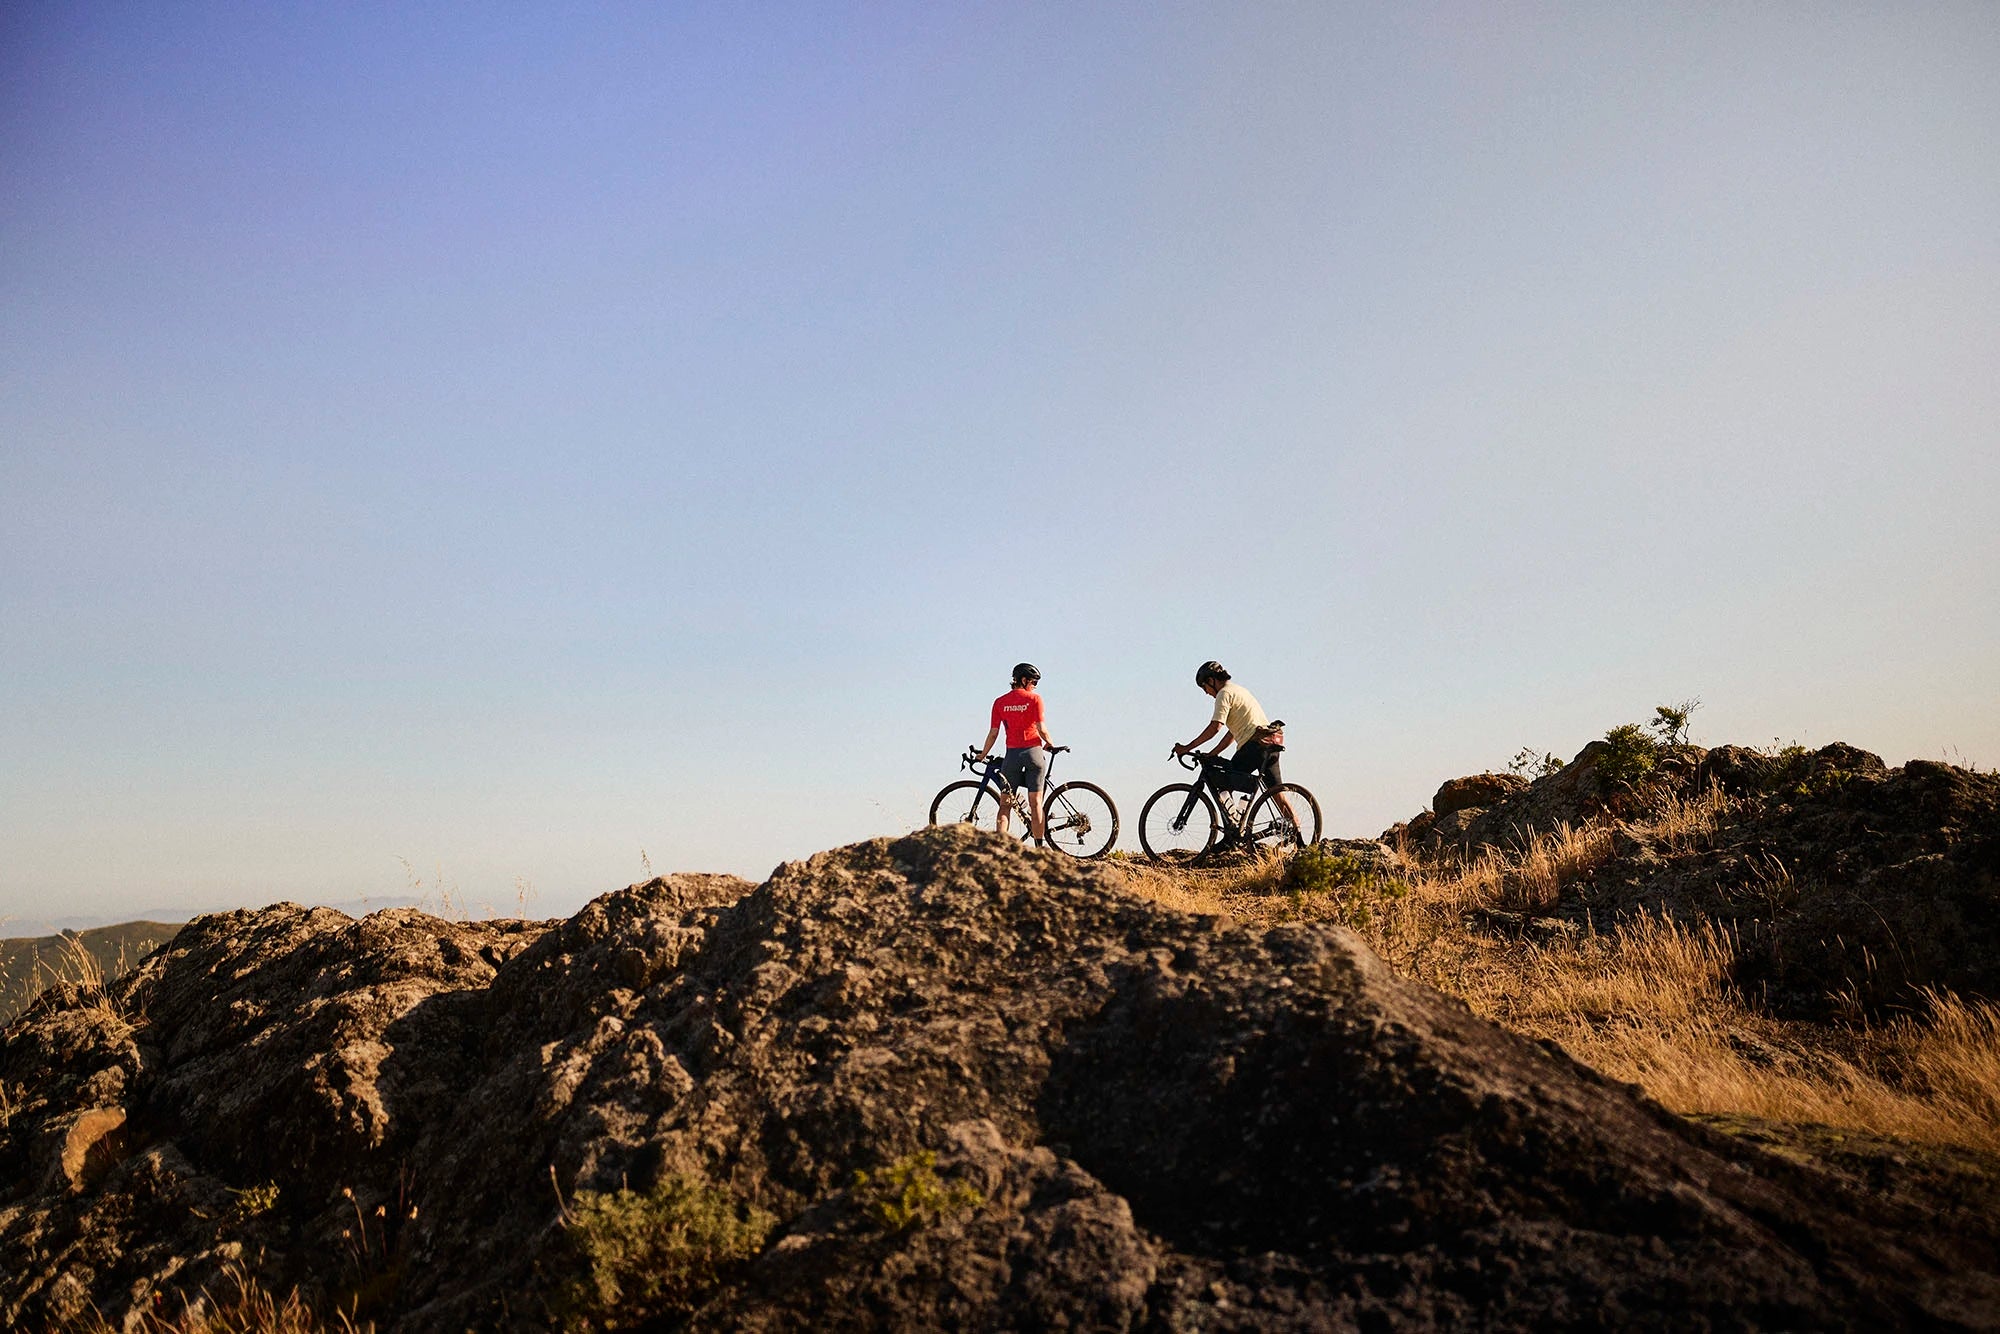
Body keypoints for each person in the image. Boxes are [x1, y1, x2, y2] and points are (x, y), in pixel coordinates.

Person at [1172, 660, 1298, 840]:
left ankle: (1233, 833)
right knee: (1277, 794)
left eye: (1204, 688)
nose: (1206, 693)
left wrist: (1186, 748)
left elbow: (1215, 727)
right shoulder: (1240, 691)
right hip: (1269, 745)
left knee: (1223, 781)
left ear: (1211, 681)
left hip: (1254, 746)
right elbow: (1232, 733)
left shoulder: (1224, 694)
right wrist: (1213, 753)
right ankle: (1301, 839)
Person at [972, 663, 1056, 845]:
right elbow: (1041, 729)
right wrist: (1050, 743)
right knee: (1036, 805)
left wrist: (982, 754)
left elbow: (993, 733)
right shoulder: (1035, 699)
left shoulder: (1000, 702)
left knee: (1005, 805)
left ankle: (1000, 847)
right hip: (1034, 752)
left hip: (1012, 756)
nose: (1034, 686)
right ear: (1023, 680)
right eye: (1033, 682)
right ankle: (1039, 848)